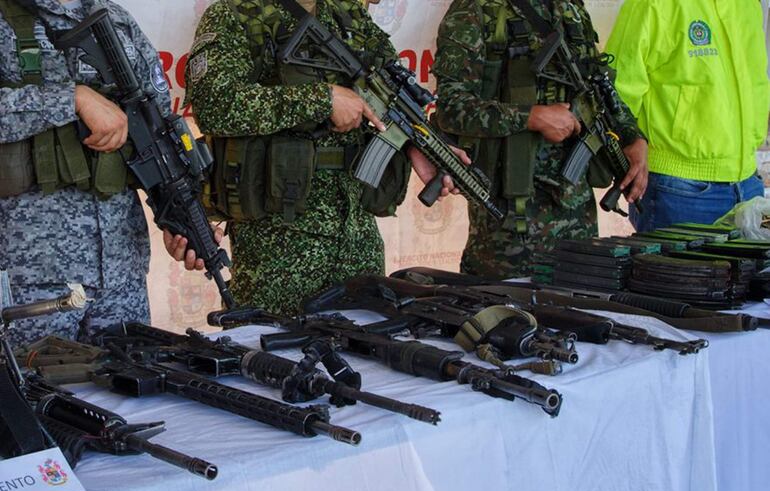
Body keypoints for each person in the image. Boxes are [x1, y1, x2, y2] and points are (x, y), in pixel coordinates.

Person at [179, 0, 463, 315]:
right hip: (278, 247)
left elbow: (389, 94)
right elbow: (214, 105)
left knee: (367, 348)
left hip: (357, 235)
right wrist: (321, 100)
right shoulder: (235, 13)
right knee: (276, 354)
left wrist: (419, 144)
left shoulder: (348, 15)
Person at [432, 0, 648, 280]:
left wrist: (633, 137)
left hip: (577, 218)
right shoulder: (477, 9)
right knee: (504, 316)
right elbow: (451, 108)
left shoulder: (570, 8)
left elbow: (599, 89)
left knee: (576, 314)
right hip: (511, 224)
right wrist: (531, 117)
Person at [0, 0, 171, 345]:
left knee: (132, 391)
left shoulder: (116, 18)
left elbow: (159, 126)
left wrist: (176, 218)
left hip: (122, 275)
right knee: (30, 395)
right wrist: (71, 99)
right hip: (30, 278)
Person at [605, 0, 770, 231]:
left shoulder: (747, 4)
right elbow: (613, 91)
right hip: (678, 189)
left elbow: (756, 82)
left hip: (748, 183)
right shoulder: (652, 4)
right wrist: (628, 144)